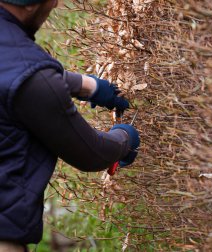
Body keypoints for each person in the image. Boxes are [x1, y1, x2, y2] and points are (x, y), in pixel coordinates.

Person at [0, 0, 140, 250]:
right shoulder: (32, 77)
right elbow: (91, 154)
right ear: (30, 5)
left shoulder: (23, 67)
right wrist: (124, 139)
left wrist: (89, 86)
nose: (56, 4)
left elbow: (13, 72)